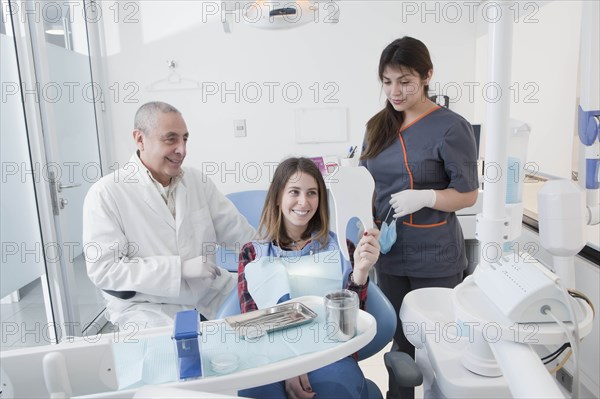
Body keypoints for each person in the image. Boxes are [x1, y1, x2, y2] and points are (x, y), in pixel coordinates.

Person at [360, 37, 479, 399]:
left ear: (427, 76)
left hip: (436, 255)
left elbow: (468, 193)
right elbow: (376, 184)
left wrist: (426, 196)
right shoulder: (378, 125)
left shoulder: (450, 127)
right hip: (392, 252)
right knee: (400, 340)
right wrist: (371, 225)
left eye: (405, 81)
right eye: (387, 81)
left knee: (438, 344)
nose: (395, 91)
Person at [82, 101, 255, 329]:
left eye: (185, 139)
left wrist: (270, 251)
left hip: (210, 293)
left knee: (264, 310)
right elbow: (105, 270)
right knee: (173, 357)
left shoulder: (197, 181)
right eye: (171, 139)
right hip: (149, 307)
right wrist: (178, 269)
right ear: (139, 139)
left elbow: (237, 231)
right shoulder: (106, 193)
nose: (182, 150)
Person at [237, 157, 380, 399]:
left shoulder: (343, 248)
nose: (304, 202)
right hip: (272, 358)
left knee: (338, 389)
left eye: (312, 193)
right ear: (278, 197)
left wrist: (361, 272)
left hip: (331, 353)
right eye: (294, 191)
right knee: (257, 392)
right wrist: (290, 367)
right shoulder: (253, 253)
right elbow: (254, 325)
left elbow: (350, 323)